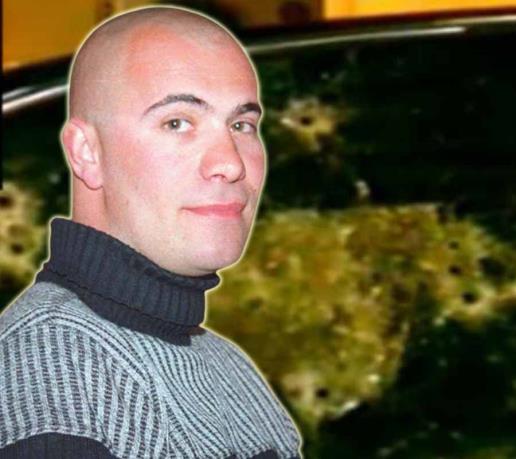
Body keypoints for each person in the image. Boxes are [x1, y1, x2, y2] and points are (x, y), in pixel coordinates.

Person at [0, 6, 303, 459]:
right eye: (177, 123)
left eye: (241, 125)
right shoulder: (54, 369)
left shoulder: (225, 365)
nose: (230, 162)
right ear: (86, 153)